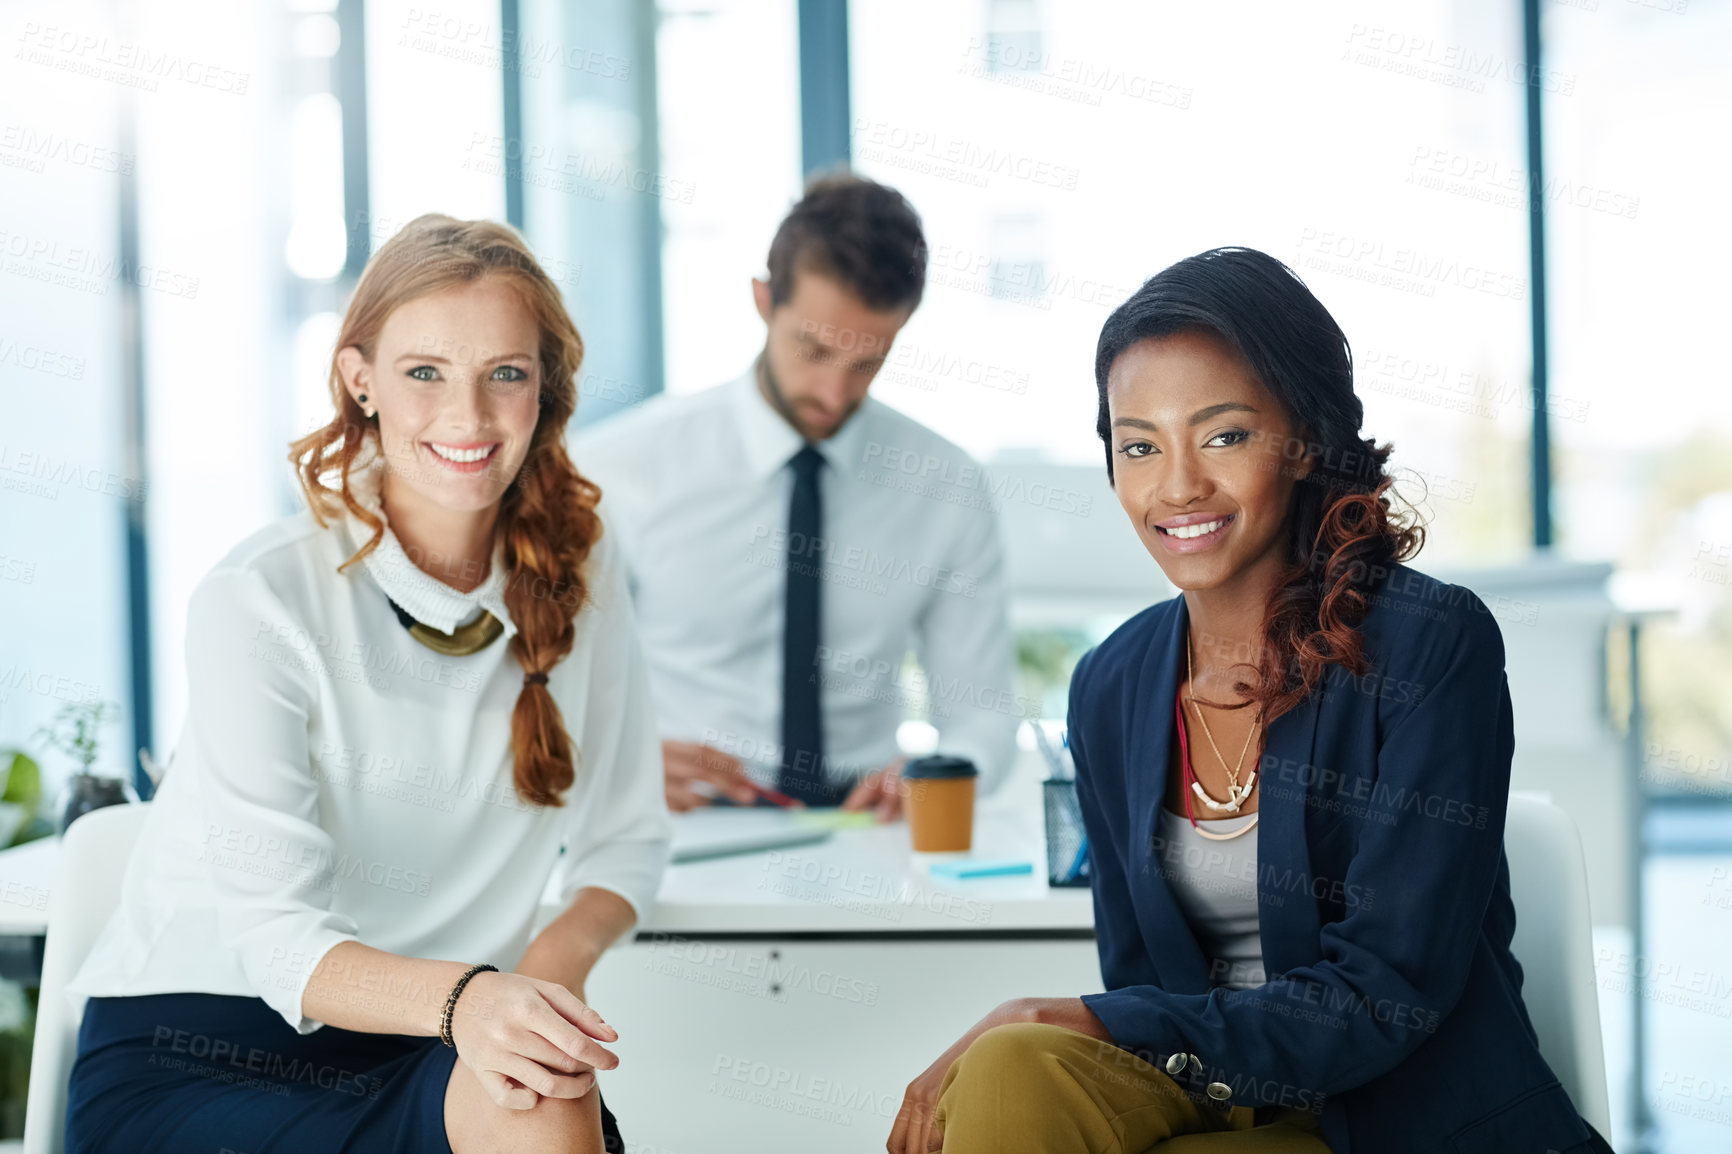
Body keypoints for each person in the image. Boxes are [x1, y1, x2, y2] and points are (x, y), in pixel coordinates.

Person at [889, 247, 1616, 1153]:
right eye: (1140, 445)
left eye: (1223, 435)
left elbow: (1386, 993)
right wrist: (1083, 1026)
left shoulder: (1432, 646)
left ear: (1304, 439)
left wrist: (1100, 1020)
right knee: (1009, 1066)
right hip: (1213, 1096)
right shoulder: (1111, 684)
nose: (1179, 484)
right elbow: (1143, 974)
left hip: (1389, 1119)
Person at [63, 214, 672, 1154]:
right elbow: (279, 944)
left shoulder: (580, 565)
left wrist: (540, 988)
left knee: (542, 1085)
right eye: (424, 372)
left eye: (504, 374)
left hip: (437, 1030)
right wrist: (473, 998)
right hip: (203, 1050)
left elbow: (625, 841)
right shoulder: (259, 596)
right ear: (362, 381)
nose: (467, 419)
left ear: (543, 388)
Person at [575, 173, 1019, 814]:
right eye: (812, 350)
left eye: (868, 360)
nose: (834, 394)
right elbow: (538, 692)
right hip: (678, 823)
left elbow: (983, 717)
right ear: (763, 301)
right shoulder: (620, 467)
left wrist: (943, 772)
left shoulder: (947, 485)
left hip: (867, 829)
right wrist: (613, 761)